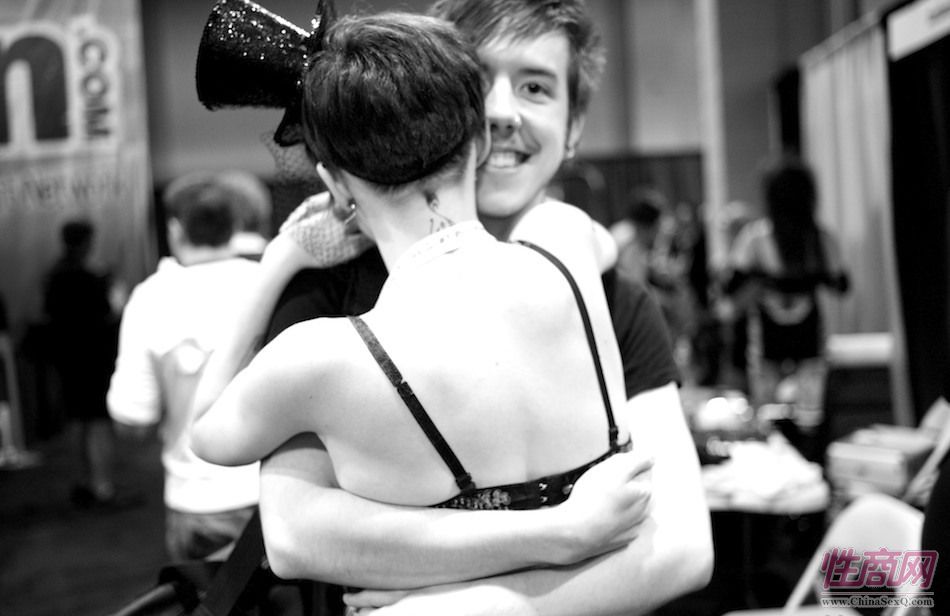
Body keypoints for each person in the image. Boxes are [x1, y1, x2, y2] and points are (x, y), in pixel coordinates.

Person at [191, 1, 712, 614]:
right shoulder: (568, 253)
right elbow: (295, 535)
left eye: (536, 87)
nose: (503, 110)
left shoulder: (613, 292)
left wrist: (456, 604)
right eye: (484, 80)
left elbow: (682, 547)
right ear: (473, 129)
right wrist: (560, 531)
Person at [107, 174, 260, 560]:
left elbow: (133, 419)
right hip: (277, 491)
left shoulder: (151, 298)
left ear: (175, 229)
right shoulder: (265, 283)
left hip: (199, 500)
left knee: (207, 593)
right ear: (235, 226)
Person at [721, 155, 850, 410]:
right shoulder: (816, 240)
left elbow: (730, 288)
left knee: (776, 414)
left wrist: (765, 281)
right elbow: (841, 284)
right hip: (790, 343)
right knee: (803, 413)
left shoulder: (758, 238)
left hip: (789, 344)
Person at [44, 219, 126, 508]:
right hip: (93, 360)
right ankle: (102, 486)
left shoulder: (54, 276)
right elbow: (110, 314)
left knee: (75, 420)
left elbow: (48, 315)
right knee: (98, 422)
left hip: (67, 360)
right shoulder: (91, 279)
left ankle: (81, 482)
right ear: (85, 242)